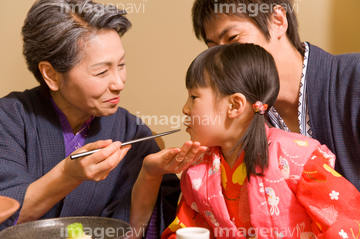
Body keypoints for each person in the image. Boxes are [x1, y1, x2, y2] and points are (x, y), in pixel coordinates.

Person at [0, 0, 207, 237]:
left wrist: (149, 176)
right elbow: (5, 214)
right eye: (101, 72)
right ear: (51, 75)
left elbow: (136, 232)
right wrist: (68, 175)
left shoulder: (132, 132)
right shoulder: (8, 119)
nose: (119, 83)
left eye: (121, 65)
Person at [161, 43, 360, 239]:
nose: (185, 109)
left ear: (234, 105)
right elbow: (184, 229)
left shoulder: (297, 157)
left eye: (194, 97)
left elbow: (347, 224)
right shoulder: (197, 171)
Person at [191, 0, 360, 191]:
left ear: (277, 20)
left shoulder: (355, 77)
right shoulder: (239, 113)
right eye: (213, 49)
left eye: (233, 39)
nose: (221, 60)